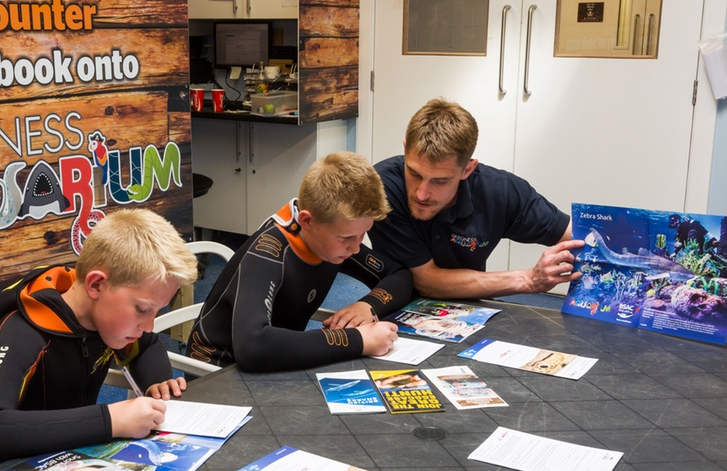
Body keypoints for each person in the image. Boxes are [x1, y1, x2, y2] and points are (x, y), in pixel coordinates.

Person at [0, 208, 199, 469]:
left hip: (74, 459)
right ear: (96, 285)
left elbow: (148, 345)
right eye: (142, 309)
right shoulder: (24, 332)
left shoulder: (107, 319)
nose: (149, 325)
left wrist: (158, 383)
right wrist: (110, 420)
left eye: (157, 311)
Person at [186, 151, 413, 372]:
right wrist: (357, 340)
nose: (355, 248)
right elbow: (253, 346)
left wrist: (367, 306)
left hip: (274, 363)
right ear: (307, 221)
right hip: (216, 372)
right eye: (347, 238)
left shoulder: (328, 238)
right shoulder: (268, 252)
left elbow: (400, 276)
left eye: (363, 234)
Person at [368, 98, 585, 300]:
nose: (422, 193)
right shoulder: (381, 189)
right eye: (415, 174)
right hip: (391, 304)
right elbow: (426, 281)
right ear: (405, 150)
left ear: (468, 169)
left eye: (440, 181)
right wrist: (527, 279)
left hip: (469, 308)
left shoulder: (500, 191)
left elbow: (581, 236)